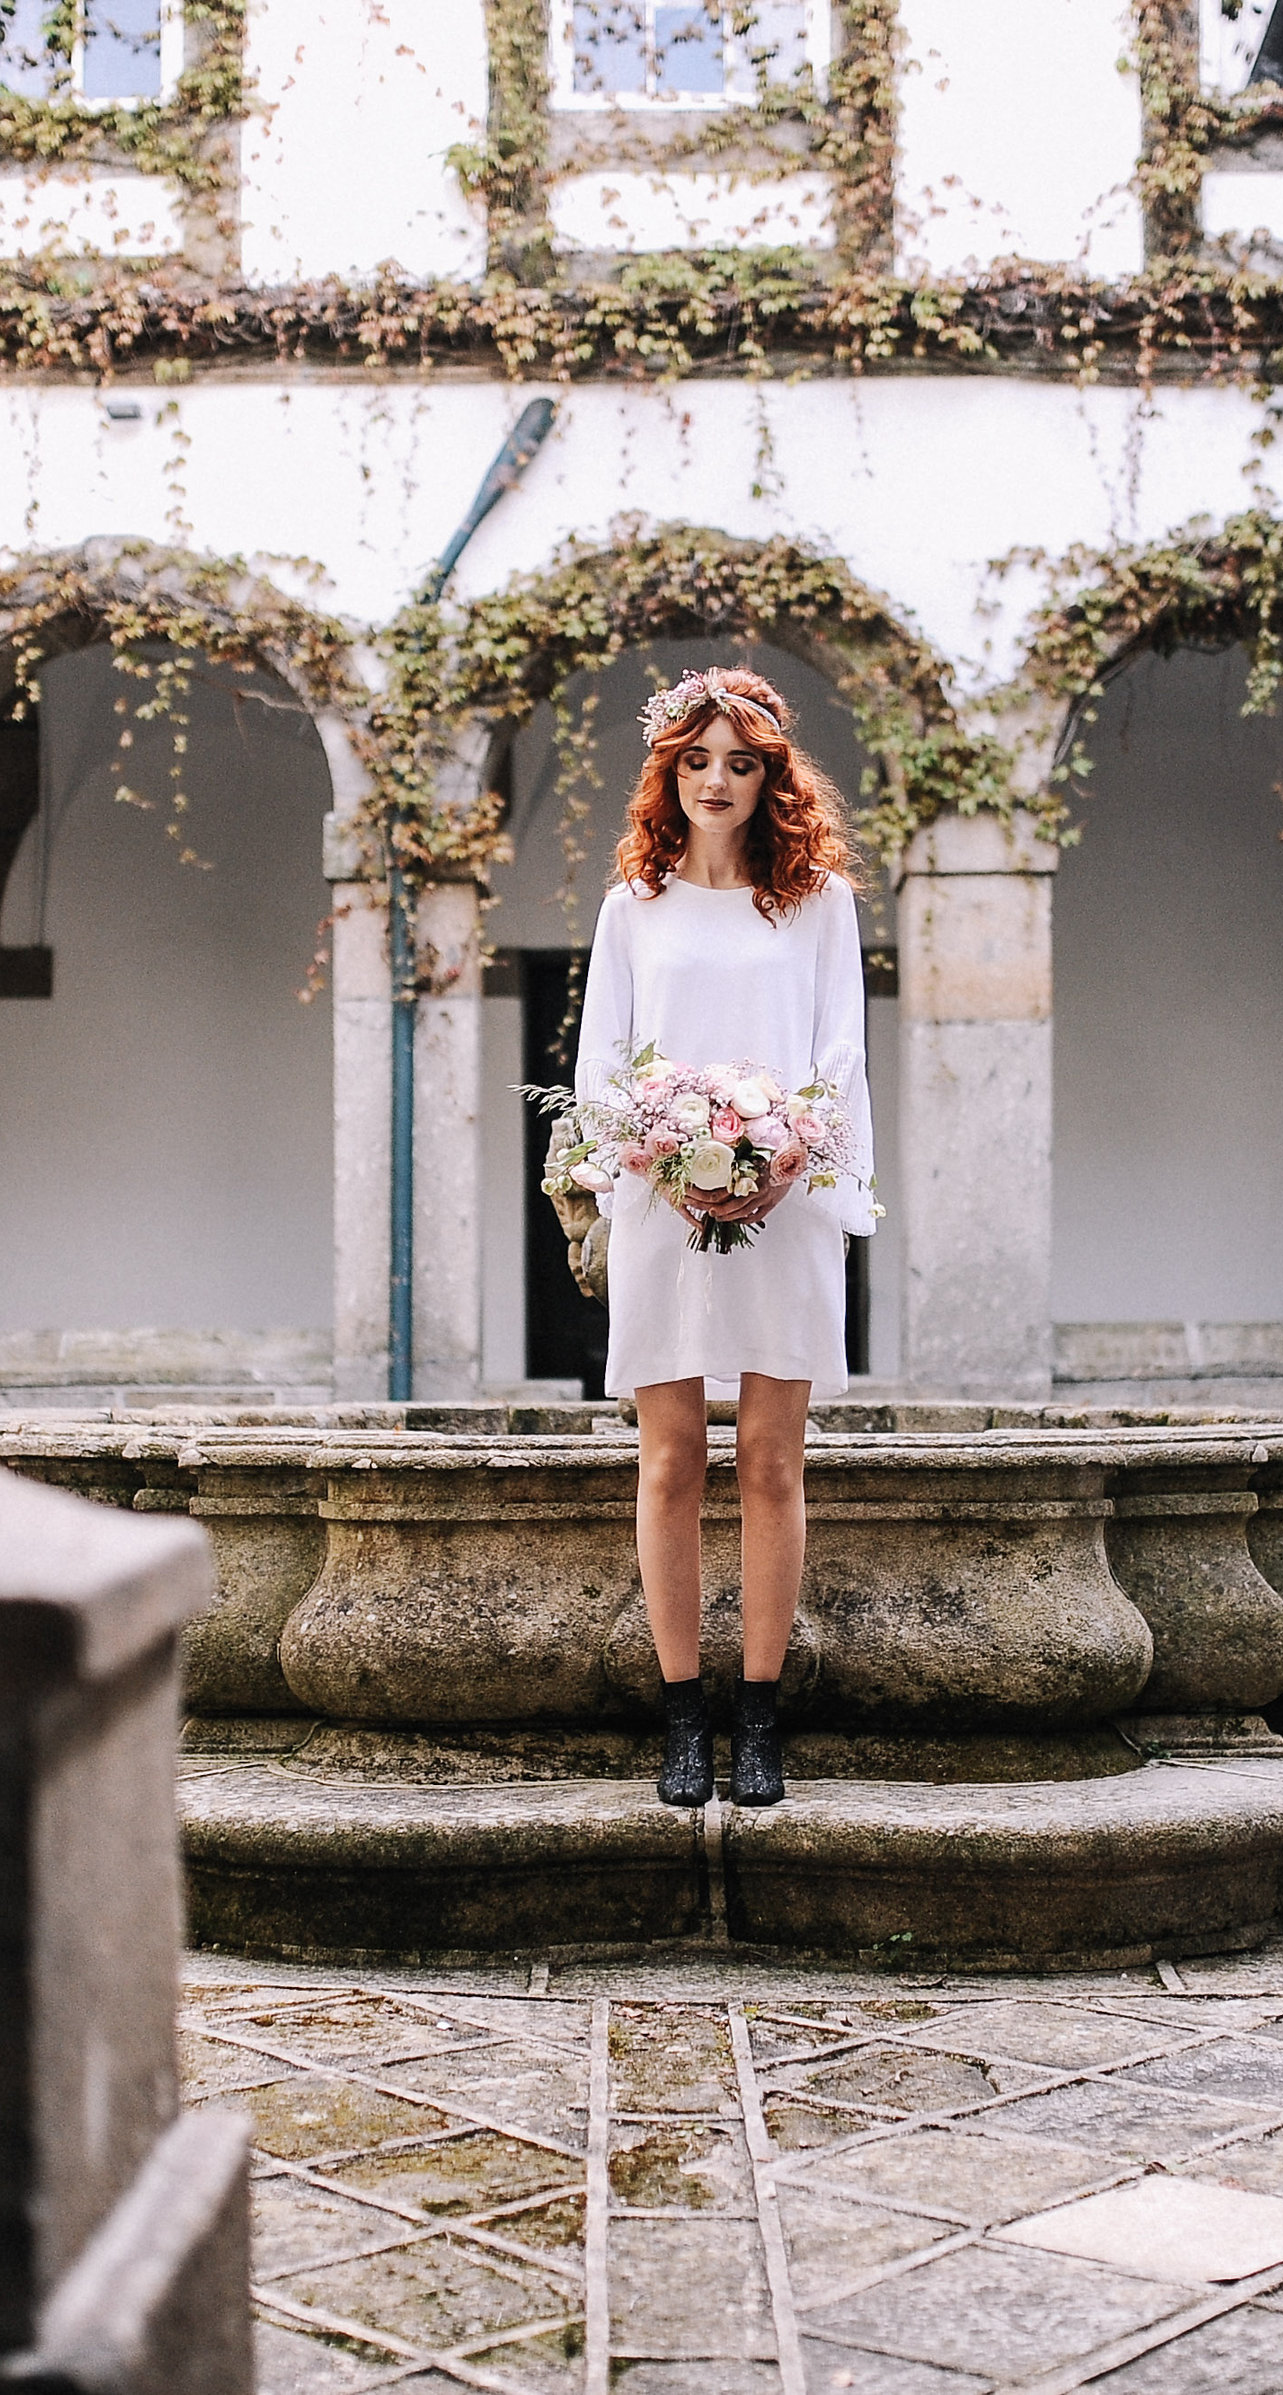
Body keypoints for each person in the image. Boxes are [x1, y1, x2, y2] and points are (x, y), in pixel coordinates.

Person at [574, 666, 877, 1809]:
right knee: (668, 1460)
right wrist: (653, 1154)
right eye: (696, 761)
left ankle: (759, 1720)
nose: (715, 780)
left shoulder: (819, 903)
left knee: (770, 1461)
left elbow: (838, 1051)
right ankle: (682, 1719)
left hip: (786, 1200)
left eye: (739, 763)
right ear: (669, 772)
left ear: (770, 778)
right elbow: (604, 1064)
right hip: (662, 1201)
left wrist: (790, 1154)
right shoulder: (630, 910)